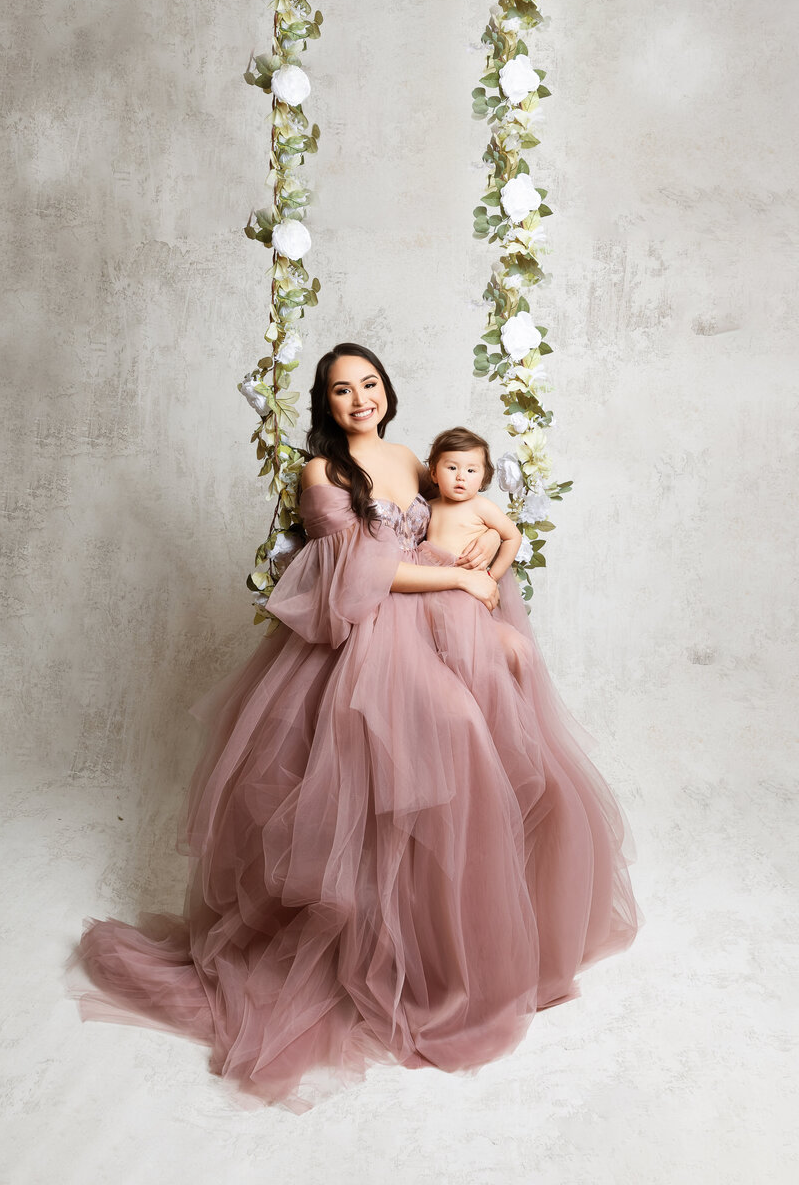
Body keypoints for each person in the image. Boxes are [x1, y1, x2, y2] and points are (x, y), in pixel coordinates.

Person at [66, 340, 642, 1115]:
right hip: (367, 637)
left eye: (369, 384)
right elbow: (359, 575)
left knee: (490, 744)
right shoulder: (323, 474)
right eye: (342, 391)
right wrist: (459, 577)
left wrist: (484, 587)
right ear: (325, 406)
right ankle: (395, 958)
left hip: (434, 623)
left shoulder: (410, 455)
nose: (359, 399)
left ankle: (457, 949)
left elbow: (449, 532)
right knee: (441, 745)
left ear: (388, 390)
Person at [419, 424, 534, 682]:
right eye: (452, 468)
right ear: (434, 473)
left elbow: (512, 536)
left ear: (483, 479)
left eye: (471, 470)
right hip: (432, 590)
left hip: (467, 592)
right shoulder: (427, 506)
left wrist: (492, 576)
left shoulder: (481, 507)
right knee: (438, 653)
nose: (461, 477)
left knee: (473, 650)